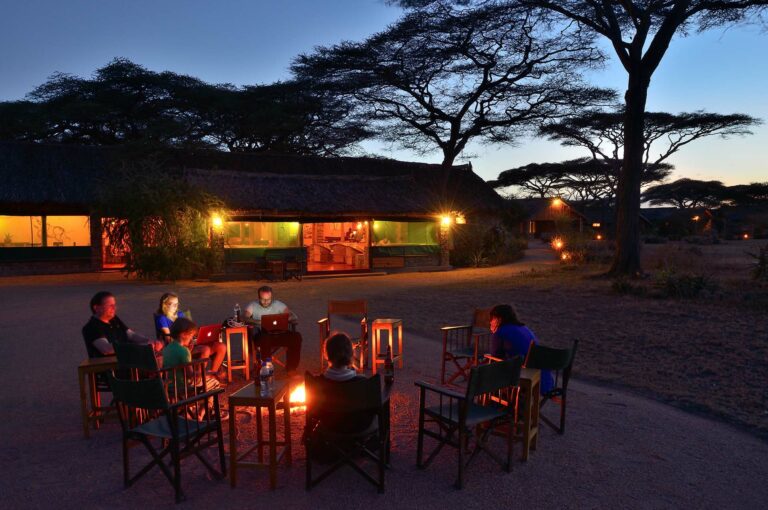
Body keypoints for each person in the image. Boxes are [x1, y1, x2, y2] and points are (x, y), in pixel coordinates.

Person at [153, 292, 226, 376]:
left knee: (221, 346)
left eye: (177, 304)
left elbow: (189, 328)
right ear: (165, 305)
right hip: (179, 345)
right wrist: (186, 344)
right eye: (173, 305)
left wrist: (195, 337)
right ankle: (198, 377)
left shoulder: (180, 314)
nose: (176, 307)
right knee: (205, 349)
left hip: (188, 341)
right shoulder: (162, 318)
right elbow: (169, 339)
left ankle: (213, 374)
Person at [488, 304, 554, 394]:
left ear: (498, 319)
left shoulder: (500, 332)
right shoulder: (524, 328)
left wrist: (494, 332)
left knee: (487, 370)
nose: (490, 322)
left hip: (523, 378)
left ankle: (490, 402)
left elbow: (495, 356)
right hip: (542, 379)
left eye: (492, 319)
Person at [82, 291, 162, 358]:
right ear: (96, 308)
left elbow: (131, 335)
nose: (114, 308)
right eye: (110, 306)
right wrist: (139, 346)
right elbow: (106, 349)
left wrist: (149, 342)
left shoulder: (114, 319)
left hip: (129, 360)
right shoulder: (92, 327)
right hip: (112, 368)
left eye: (114, 305)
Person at [243, 286, 302, 374]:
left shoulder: (278, 304)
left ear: (272, 297)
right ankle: (266, 369)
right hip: (263, 335)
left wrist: (286, 319)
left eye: (268, 299)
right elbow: (244, 318)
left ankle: (291, 368)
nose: (266, 302)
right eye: (263, 299)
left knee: (296, 337)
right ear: (258, 297)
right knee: (265, 339)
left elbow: (293, 316)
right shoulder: (253, 305)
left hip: (280, 333)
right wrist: (259, 322)